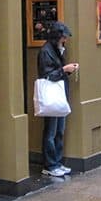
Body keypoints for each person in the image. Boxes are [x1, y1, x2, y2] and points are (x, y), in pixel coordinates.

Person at [37, 21, 79, 181]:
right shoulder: (46, 52)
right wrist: (64, 69)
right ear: (57, 37)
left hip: (58, 96)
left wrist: (66, 70)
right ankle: (50, 165)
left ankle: (57, 161)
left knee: (59, 131)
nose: (65, 41)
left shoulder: (56, 50)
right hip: (52, 96)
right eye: (63, 38)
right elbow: (47, 75)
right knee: (51, 132)